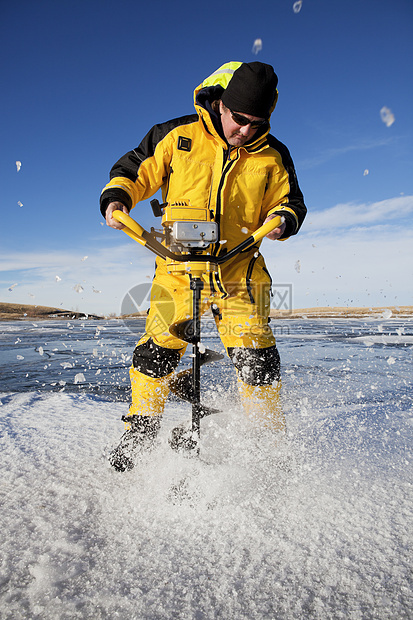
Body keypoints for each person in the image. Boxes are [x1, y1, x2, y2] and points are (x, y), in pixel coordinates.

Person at [100, 61, 307, 471]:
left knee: (258, 362)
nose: (245, 130)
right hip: (176, 272)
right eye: (239, 119)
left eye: (257, 122)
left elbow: (292, 201)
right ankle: (141, 427)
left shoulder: (273, 154)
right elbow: (132, 169)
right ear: (222, 104)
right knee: (155, 355)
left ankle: (267, 448)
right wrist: (118, 198)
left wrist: (284, 220)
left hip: (241, 274)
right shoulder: (177, 135)